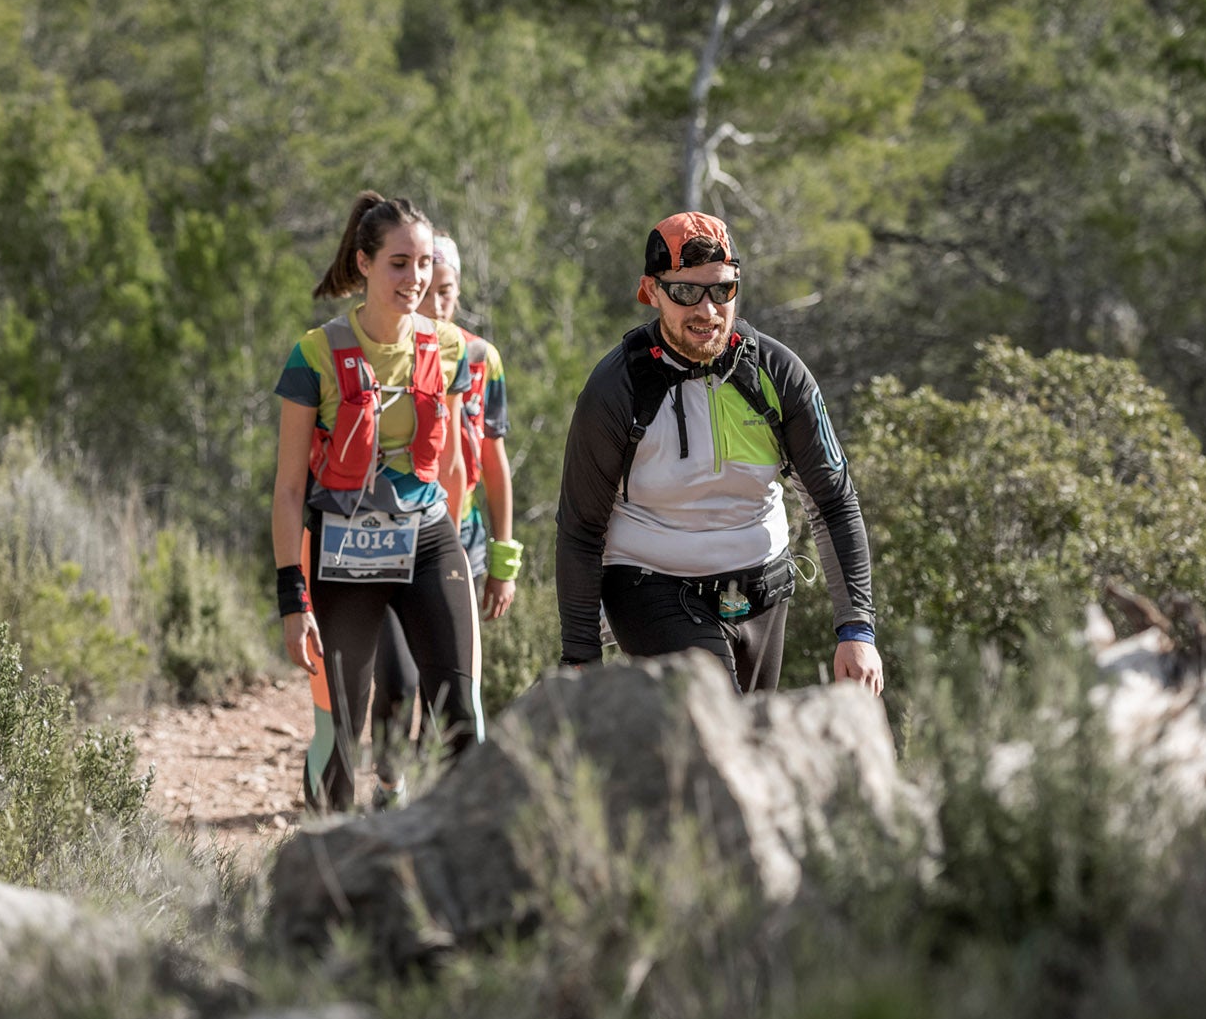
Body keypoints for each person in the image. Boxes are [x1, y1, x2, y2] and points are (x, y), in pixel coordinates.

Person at [554, 211, 882, 695]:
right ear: (652, 291)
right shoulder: (616, 388)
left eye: (722, 290)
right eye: (687, 292)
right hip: (651, 587)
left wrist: (857, 629)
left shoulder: (778, 373)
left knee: (742, 746)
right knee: (717, 722)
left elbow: (833, 500)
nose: (707, 311)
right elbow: (581, 527)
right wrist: (580, 656)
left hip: (762, 591)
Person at [272, 192, 487, 812]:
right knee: (339, 729)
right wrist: (294, 598)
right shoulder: (315, 354)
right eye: (398, 263)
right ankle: (326, 876)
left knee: (461, 714)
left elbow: (447, 462)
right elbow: (288, 489)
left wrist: (467, 551)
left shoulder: (448, 350)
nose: (415, 279)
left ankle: (470, 868)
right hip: (342, 547)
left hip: (428, 538)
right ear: (364, 263)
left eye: (423, 264)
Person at [371, 233, 520, 777]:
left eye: (447, 291)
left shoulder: (480, 358)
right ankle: (391, 792)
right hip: (392, 540)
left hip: (464, 544)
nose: (436, 302)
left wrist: (504, 561)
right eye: (426, 290)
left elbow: (492, 460)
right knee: (397, 686)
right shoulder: (383, 355)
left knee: (459, 695)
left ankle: (449, 807)